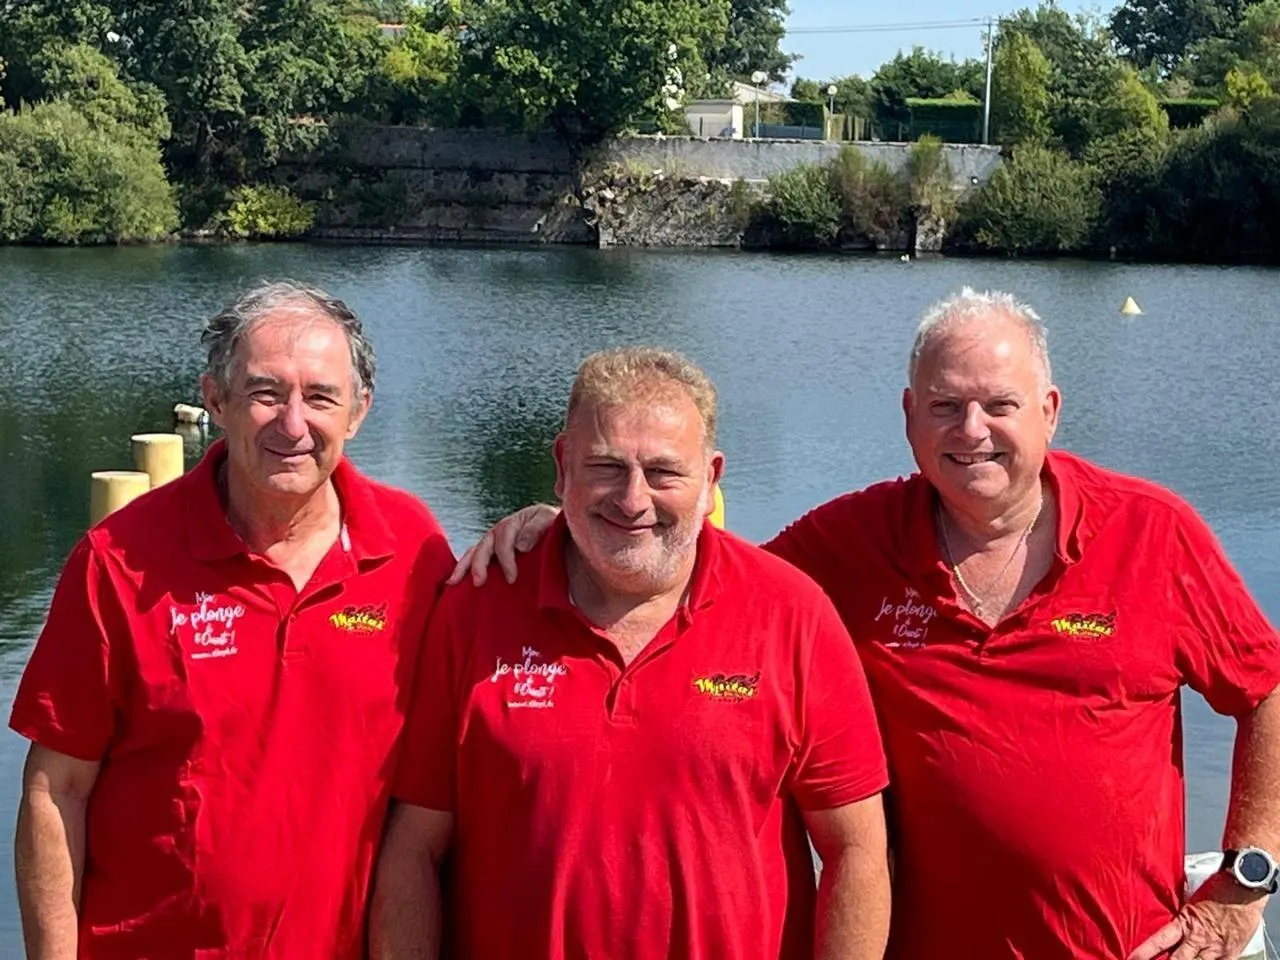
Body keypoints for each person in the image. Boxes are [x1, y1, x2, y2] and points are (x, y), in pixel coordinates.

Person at [454, 290, 1280, 960]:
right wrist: (566, 525)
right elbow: (691, 572)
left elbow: (1265, 689)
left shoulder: (1151, 532)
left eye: (999, 405)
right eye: (945, 406)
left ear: (1050, 411)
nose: (972, 431)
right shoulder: (851, 542)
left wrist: (1245, 881)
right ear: (909, 415)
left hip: (1122, 949)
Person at [371, 347, 891, 959]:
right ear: (562, 466)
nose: (633, 499)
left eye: (664, 472)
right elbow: (414, 847)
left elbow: (856, 850)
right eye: (606, 466)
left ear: (711, 479)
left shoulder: (793, 614)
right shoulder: (477, 608)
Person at [11, 281, 455, 959]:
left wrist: (547, 530)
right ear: (216, 399)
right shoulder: (119, 561)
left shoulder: (414, 550)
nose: (293, 424)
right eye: (266, 393)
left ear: (359, 412)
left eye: (321, 397)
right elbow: (56, 791)